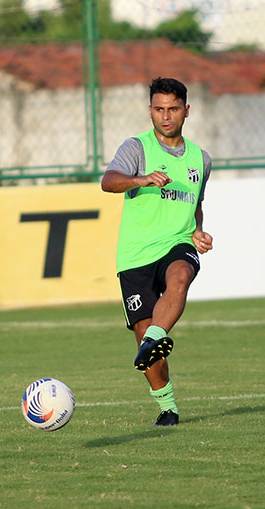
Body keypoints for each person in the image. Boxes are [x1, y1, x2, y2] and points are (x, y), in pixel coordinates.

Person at [101, 77, 213, 427]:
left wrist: (197, 231)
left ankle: (154, 337)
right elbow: (108, 181)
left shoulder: (201, 159)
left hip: (177, 242)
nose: (166, 116)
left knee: (181, 276)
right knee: (146, 345)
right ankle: (168, 407)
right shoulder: (137, 148)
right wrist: (141, 179)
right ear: (150, 110)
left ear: (186, 111)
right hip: (135, 254)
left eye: (173, 109)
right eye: (159, 109)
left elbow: (196, 203)